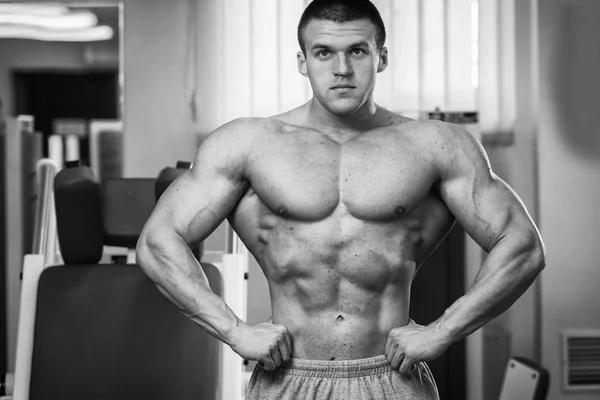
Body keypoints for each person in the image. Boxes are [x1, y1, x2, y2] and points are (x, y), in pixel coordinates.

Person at [136, 0, 546, 399]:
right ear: (302, 62)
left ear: (381, 57)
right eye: (323, 53)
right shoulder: (246, 144)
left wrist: (443, 330)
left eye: (357, 51)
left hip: (391, 377)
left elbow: (522, 246)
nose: (342, 69)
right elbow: (158, 241)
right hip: (289, 378)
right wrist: (233, 329)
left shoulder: (437, 145)